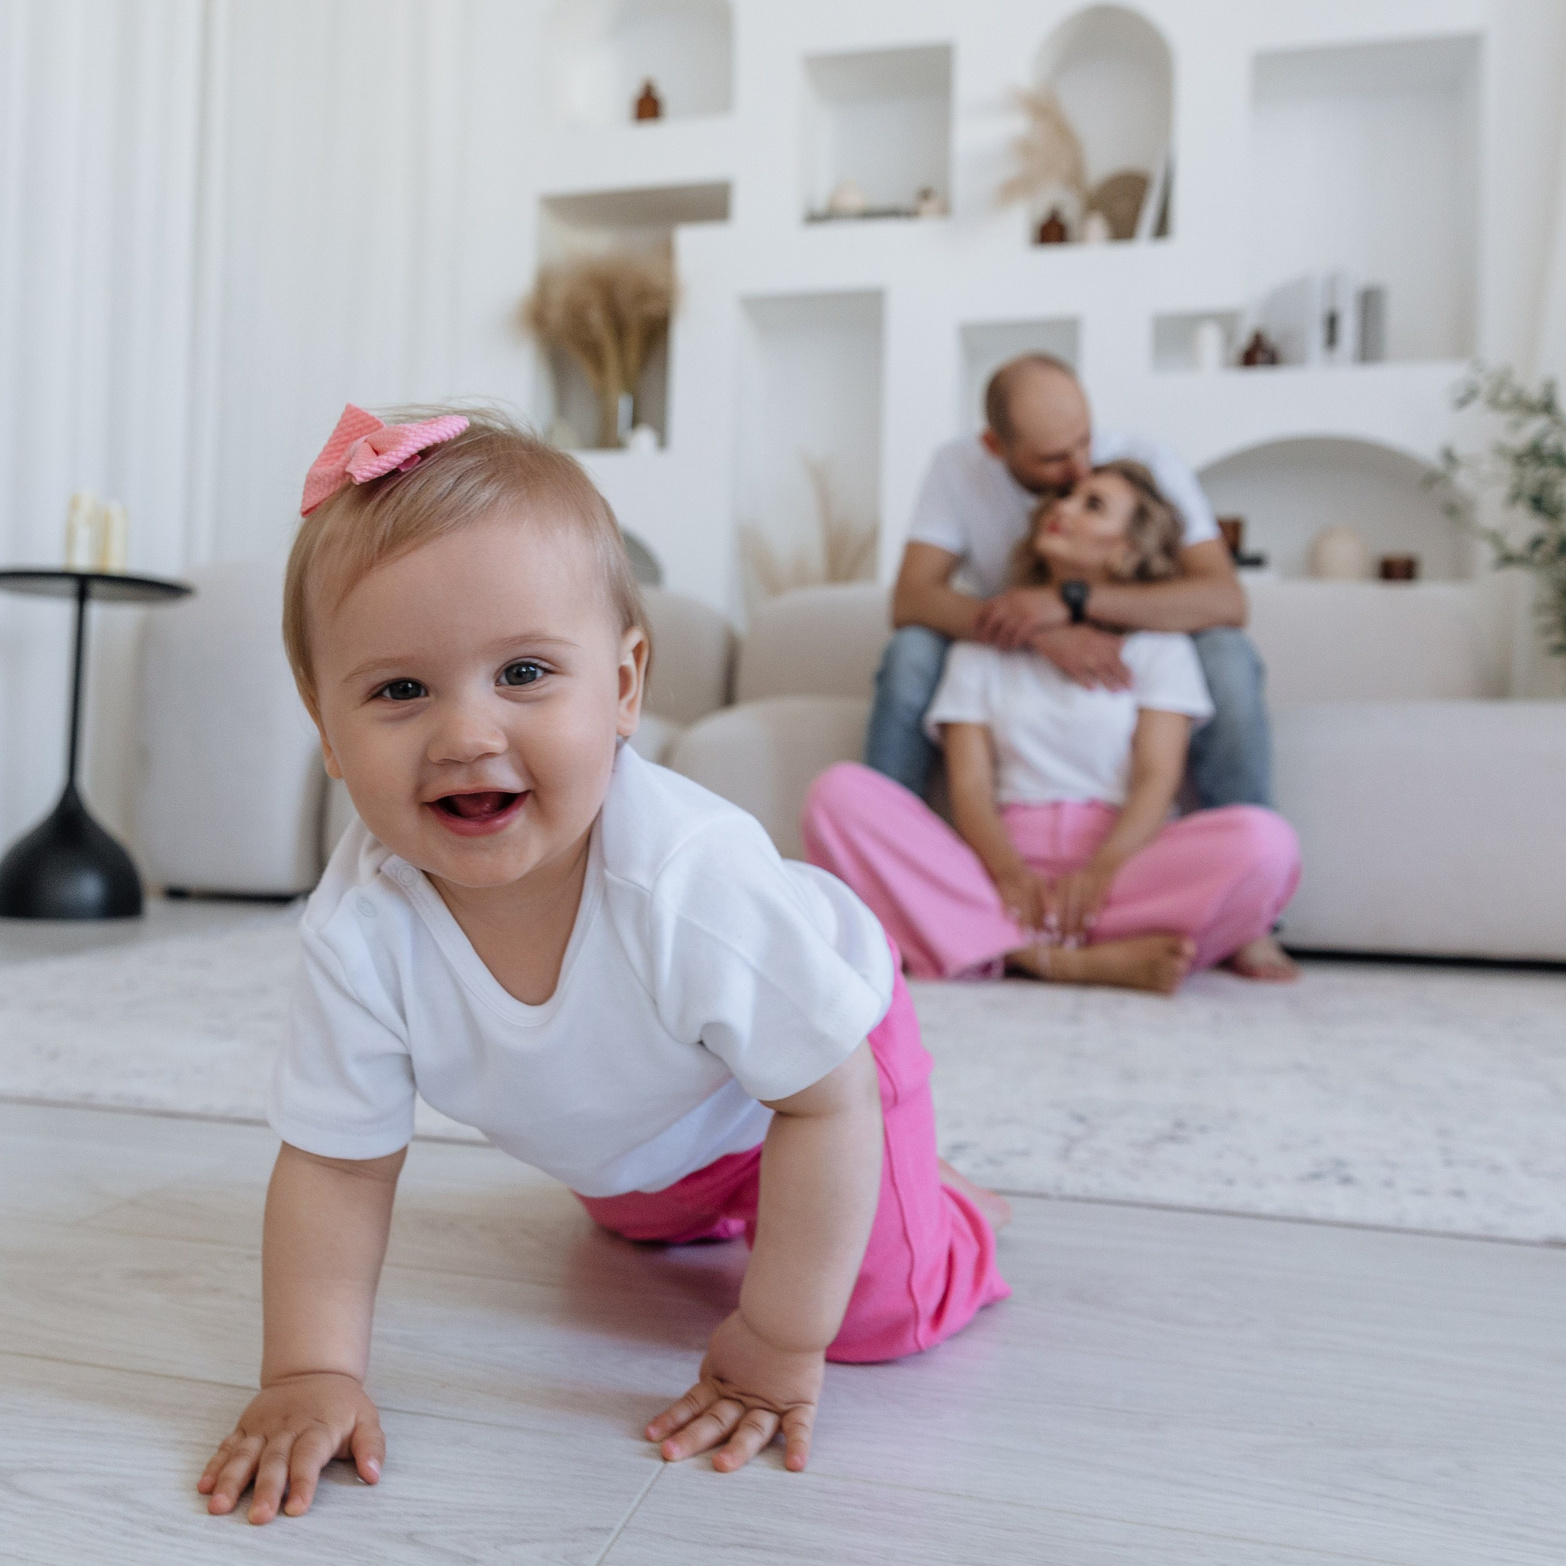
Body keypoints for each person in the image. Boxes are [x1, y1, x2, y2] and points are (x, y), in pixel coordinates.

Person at [197, 405, 1009, 1526]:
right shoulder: (358, 928)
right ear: (327, 731)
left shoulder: (688, 880)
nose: (466, 733)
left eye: (524, 671)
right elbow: (337, 1167)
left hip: (821, 1069)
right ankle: (757, 1202)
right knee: (638, 1224)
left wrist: (775, 1342)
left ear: (624, 687)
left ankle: (946, 1215)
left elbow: (824, 1100)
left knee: (876, 1314)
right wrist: (307, 1371)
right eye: (399, 691)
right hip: (648, 1132)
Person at [868, 352, 1295, 980]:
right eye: (1053, 463)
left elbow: (1225, 600)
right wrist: (1040, 635)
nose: (1077, 471)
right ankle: (887, 905)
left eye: (1085, 443)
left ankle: (1249, 924)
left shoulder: (1142, 467)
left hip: (1122, 633)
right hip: (1008, 642)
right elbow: (911, 599)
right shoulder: (957, 470)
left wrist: (1070, 603)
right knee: (909, 655)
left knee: (1229, 658)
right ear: (996, 446)